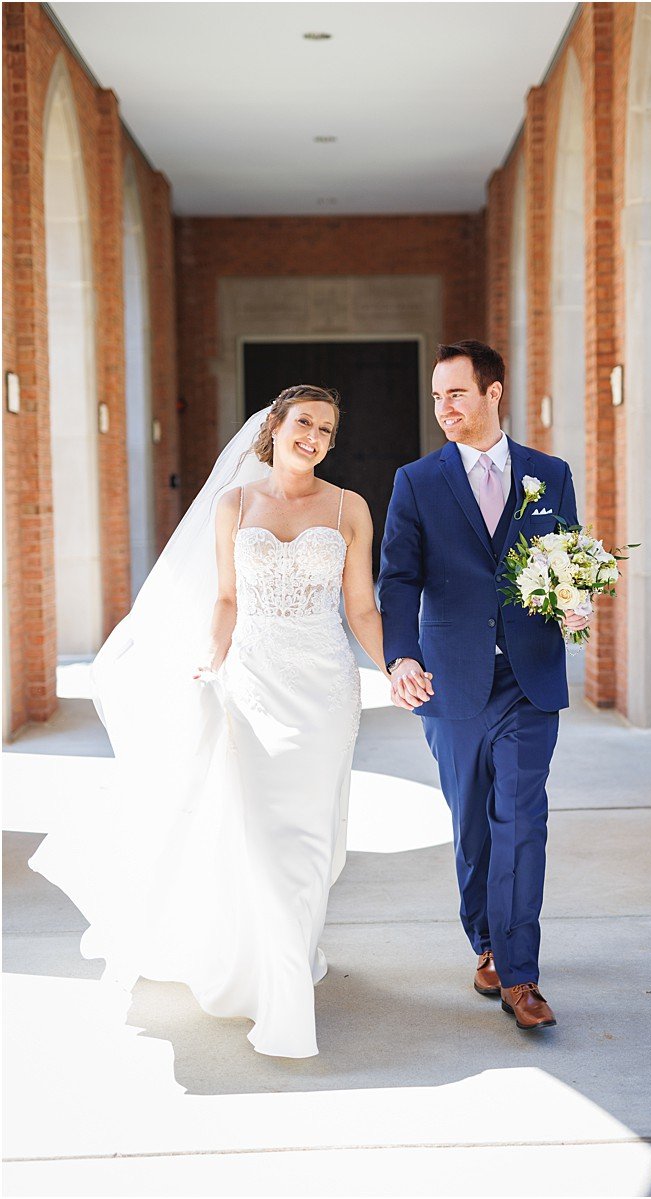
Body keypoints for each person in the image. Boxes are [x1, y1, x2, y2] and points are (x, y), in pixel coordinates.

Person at [30, 384, 387, 1058]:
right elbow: (225, 598)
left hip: (325, 689)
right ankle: (281, 1001)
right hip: (252, 683)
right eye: (303, 422)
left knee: (310, 840)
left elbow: (362, 607)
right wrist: (209, 654)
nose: (313, 436)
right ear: (275, 427)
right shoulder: (234, 504)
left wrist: (396, 664)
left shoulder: (349, 508)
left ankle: (288, 955)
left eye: (326, 429)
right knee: (262, 835)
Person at [378, 339, 587, 1032]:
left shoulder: (549, 474)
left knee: (522, 820)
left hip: (528, 675)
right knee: (473, 823)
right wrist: (400, 656)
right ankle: (485, 939)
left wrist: (577, 598)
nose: (445, 407)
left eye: (457, 393)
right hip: (451, 677)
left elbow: (566, 557)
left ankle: (520, 973)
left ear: (494, 393)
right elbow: (398, 576)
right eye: (438, 396)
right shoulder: (417, 480)